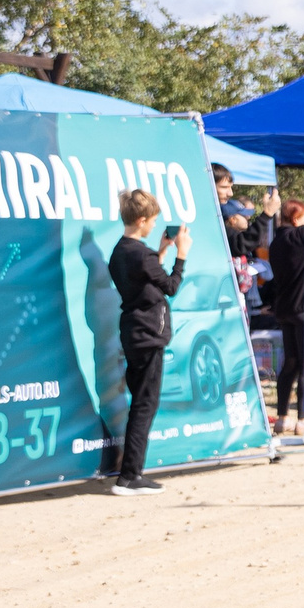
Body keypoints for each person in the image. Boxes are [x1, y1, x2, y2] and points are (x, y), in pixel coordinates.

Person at [108, 186, 190, 494]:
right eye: (153, 220)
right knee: (145, 405)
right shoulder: (141, 255)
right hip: (148, 335)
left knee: (141, 403)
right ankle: (130, 475)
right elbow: (170, 285)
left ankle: (131, 473)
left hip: (133, 331)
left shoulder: (121, 250)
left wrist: (162, 251)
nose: (156, 225)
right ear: (142, 220)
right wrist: (181, 254)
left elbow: (146, 277)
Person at [265, 200, 304, 436]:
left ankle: (282, 417)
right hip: (303, 309)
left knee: (290, 363)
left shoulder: (275, 243)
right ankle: (303, 419)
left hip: (285, 309)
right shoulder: (299, 237)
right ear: (295, 219)